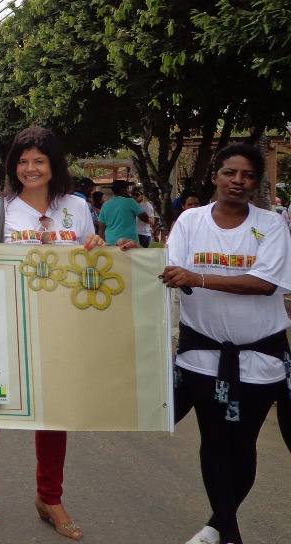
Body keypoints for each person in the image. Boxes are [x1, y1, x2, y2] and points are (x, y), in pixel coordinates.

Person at [0, 127, 118, 540]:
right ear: (15, 166)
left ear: (53, 166)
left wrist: (98, 244)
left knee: (54, 413)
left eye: (39, 161)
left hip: (61, 325)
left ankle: (50, 497)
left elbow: (90, 260)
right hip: (6, 322)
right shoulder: (0, 210)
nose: (31, 168)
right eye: (24, 161)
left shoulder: (77, 208)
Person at [162, 144, 291, 544]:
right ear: (216, 176)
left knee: (243, 444)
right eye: (230, 173)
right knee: (213, 443)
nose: (238, 181)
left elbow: (265, 283)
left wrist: (197, 278)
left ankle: (218, 527)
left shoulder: (270, 226)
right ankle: (227, 532)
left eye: (247, 175)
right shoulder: (190, 221)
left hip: (259, 357)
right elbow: (170, 271)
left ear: (255, 183)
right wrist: (132, 255)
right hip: (202, 355)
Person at [98, 180, 149, 246]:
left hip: (110, 242)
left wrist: (103, 243)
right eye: (127, 189)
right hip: (129, 243)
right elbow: (145, 218)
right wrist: (131, 198)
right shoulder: (130, 201)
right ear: (123, 190)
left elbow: (101, 228)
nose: (129, 191)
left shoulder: (105, 205)